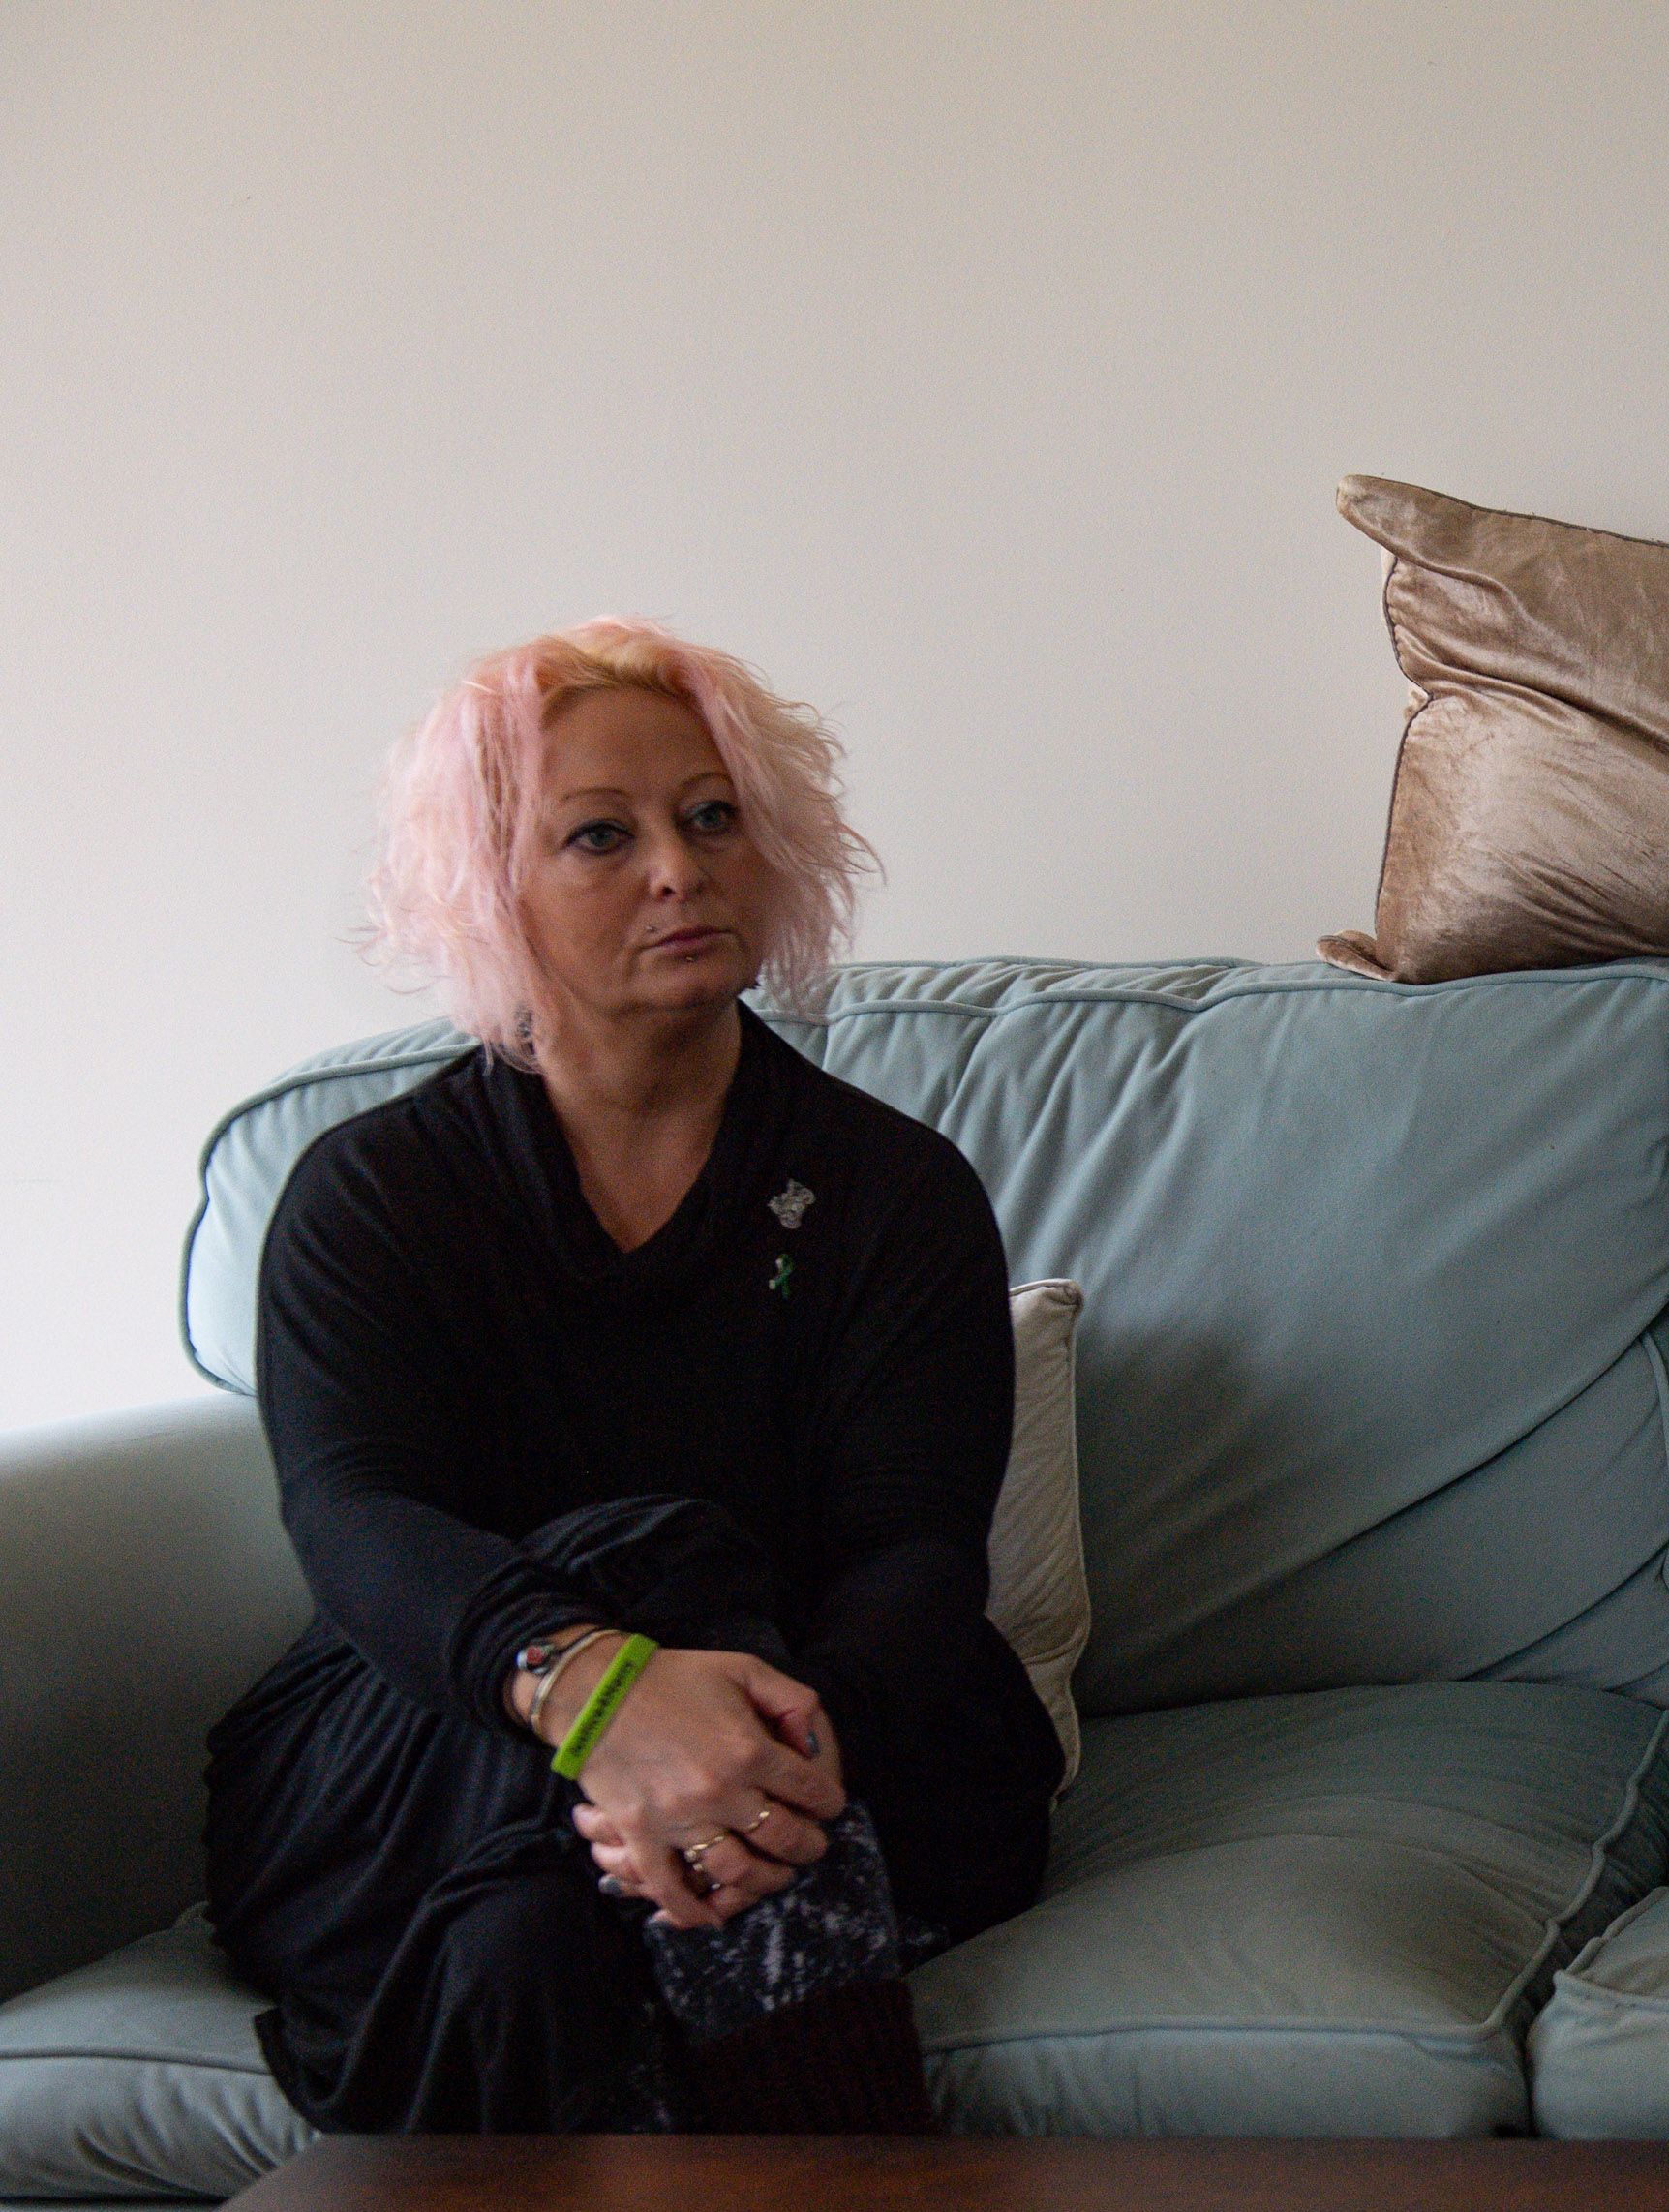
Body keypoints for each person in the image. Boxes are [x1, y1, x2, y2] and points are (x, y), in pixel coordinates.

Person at [203, 619, 1060, 2136]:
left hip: (836, 1734)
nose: (680, 867)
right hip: (434, 1746)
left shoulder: (889, 1190)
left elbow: (918, 1551)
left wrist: (750, 1756)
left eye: (711, 815)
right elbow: (351, 1518)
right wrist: (594, 1691)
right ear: (492, 889)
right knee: (649, 1558)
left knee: (521, 1938)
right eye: (601, 834)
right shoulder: (371, 1197)